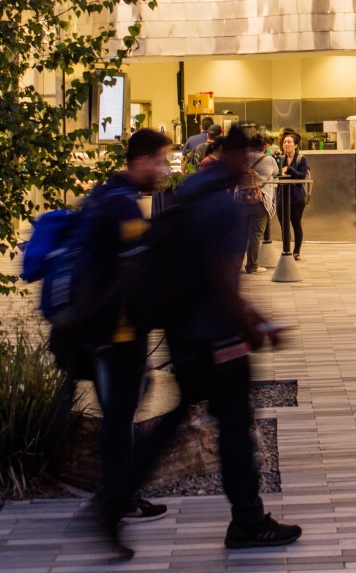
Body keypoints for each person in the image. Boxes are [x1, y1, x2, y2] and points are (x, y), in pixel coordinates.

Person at [105, 125, 302, 554]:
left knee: (177, 425)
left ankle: (114, 499)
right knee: (235, 428)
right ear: (236, 157)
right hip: (218, 339)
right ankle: (248, 521)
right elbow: (221, 280)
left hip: (184, 336)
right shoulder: (223, 206)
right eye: (248, 158)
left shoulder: (189, 194)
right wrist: (254, 327)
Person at [48, 129, 173, 550]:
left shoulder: (105, 194)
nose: (163, 170)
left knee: (123, 409)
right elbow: (136, 269)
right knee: (120, 416)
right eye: (159, 161)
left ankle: (120, 497)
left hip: (100, 329)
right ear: (139, 161)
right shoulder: (121, 204)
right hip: (114, 333)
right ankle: (114, 503)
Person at [240, 135, 278, 274]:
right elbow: (276, 172)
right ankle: (251, 266)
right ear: (263, 147)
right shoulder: (268, 159)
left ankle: (236, 263)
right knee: (255, 234)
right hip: (260, 199)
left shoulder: (242, 158)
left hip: (241, 199)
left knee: (241, 232)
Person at [276, 132, 309, 260]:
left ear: (295, 145)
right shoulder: (280, 158)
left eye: (289, 142)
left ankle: (296, 251)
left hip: (296, 198)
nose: (286, 144)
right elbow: (276, 174)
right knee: (283, 225)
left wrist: (288, 169)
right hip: (281, 197)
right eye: (284, 142)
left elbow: (302, 176)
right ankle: (286, 250)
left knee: (296, 224)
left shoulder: (301, 158)